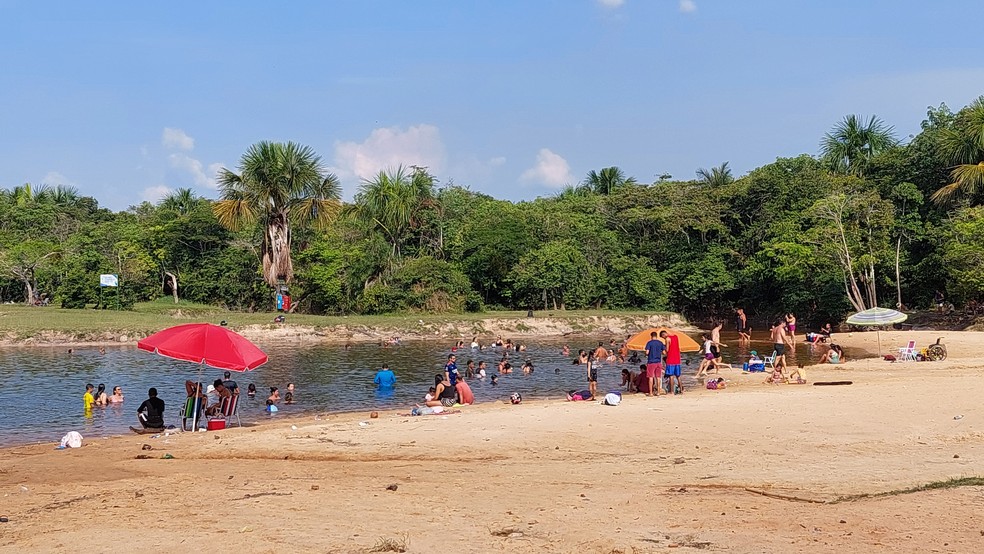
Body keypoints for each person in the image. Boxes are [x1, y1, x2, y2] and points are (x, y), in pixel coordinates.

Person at [661, 330, 683, 395]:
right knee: (678, 376)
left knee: (671, 376)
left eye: (663, 337)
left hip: (671, 359)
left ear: (664, 335)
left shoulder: (667, 339)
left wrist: (663, 350)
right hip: (677, 359)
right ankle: (681, 390)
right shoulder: (676, 337)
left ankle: (672, 391)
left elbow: (667, 350)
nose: (664, 338)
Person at [644, 331, 665, 396]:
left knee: (651, 377)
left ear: (651, 336)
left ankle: (651, 392)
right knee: (658, 377)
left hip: (651, 362)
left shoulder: (649, 343)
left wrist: (646, 353)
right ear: (656, 336)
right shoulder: (660, 343)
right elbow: (664, 352)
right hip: (658, 362)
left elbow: (647, 352)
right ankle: (658, 392)